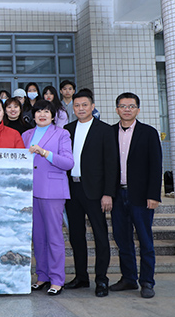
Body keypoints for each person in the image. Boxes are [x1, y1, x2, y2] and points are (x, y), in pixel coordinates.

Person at [64, 90, 118, 297]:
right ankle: (81, 277)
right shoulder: (67, 129)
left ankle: (101, 279)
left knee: (100, 235)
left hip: (96, 191)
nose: (81, 109)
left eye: (84, 105)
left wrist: (108, 193)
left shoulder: (105, 130)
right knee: (76, 235)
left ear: (92, 106)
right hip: (73, 189)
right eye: (77, 105)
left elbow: (111, 165)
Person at [109, 93, 162, 299]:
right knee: (122, 240)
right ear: (117, 109)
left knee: (145, 240)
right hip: (117, 195)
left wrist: (153, 195)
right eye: (123, 106)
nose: (127, 110)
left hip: (140, 196)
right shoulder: (109, 132)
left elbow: (156, 166)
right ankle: (129, 278)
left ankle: (147, 281)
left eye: (131, 106)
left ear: (138, 110)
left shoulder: (148, 133)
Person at [22, 100, 74, 296]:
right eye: (38, 111)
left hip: (52, 191)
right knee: (38, 237)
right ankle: (42, 276)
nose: (42, 115)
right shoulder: (26, 135)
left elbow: (68, 163)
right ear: (33, 115)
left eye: (46, 111)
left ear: (53, 116)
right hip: (30, 191)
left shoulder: (62, 134)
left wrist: (45, 153)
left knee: (54, 236)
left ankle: (57, 279)